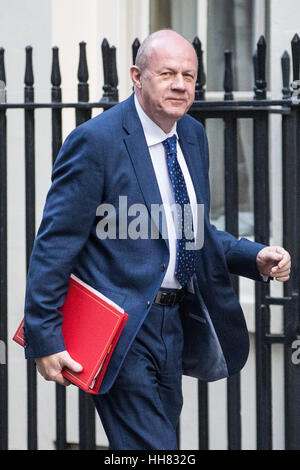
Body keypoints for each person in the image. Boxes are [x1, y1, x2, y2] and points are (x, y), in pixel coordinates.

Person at [23, 30, 291, 450]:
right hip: (121, 328)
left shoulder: (192, 136)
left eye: (188, 74)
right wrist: (45, 336)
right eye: (167, 73)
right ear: (137, 75)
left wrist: (251, 256)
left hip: (175, 323)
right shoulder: (96, 141)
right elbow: (55, 244)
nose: (181, 84)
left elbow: (190, 229)